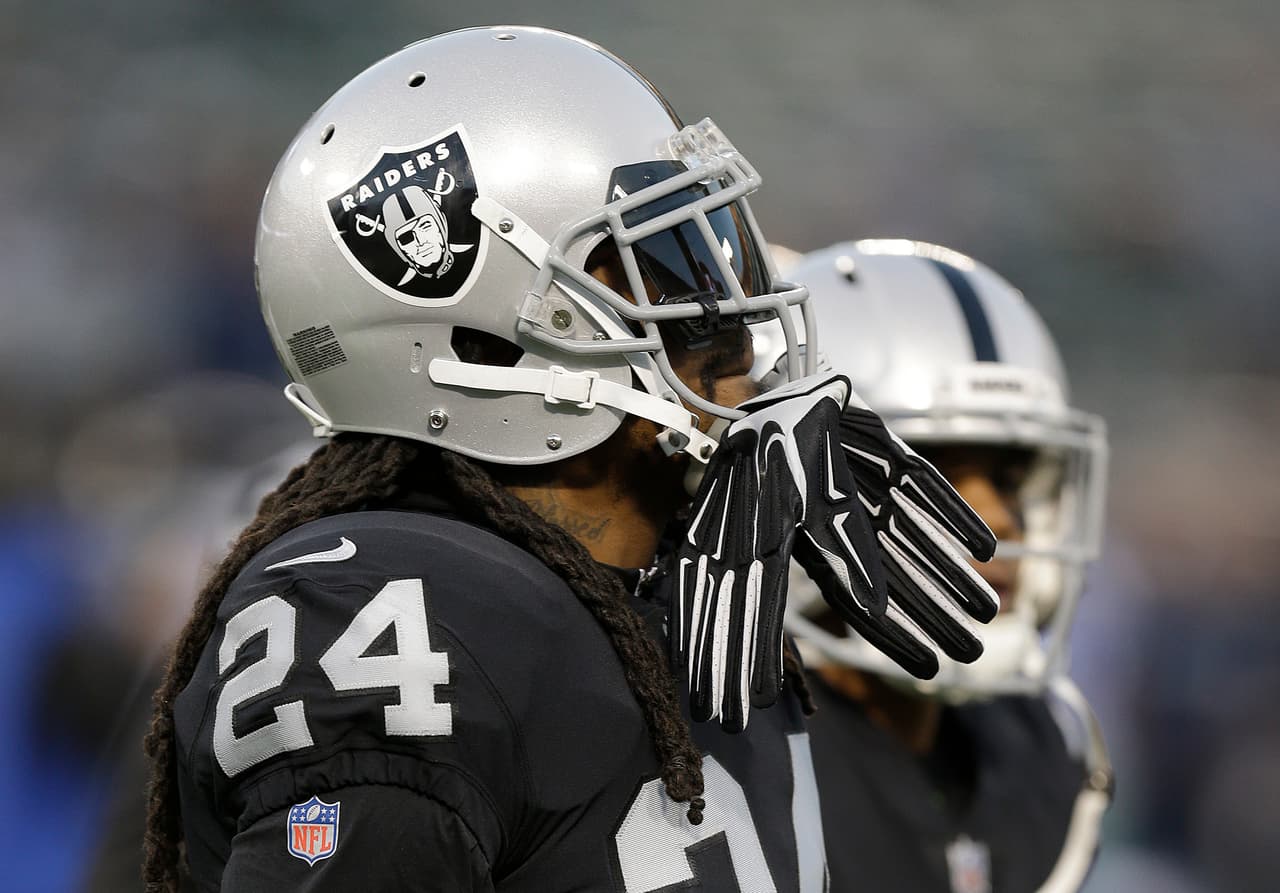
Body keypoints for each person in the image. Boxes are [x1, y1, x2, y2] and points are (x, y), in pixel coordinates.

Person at [141, 30, 996, 892]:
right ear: (480, 339)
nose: (733, 316)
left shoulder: (701, 598)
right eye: (665, 265)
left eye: (719, 244)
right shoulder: (385, 614)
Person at [755, 239, 1114, 892]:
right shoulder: (735, 746)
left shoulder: (1042, 747)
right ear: (800, 490)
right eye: (934, 473)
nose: (999, 518)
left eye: (1009, 477)